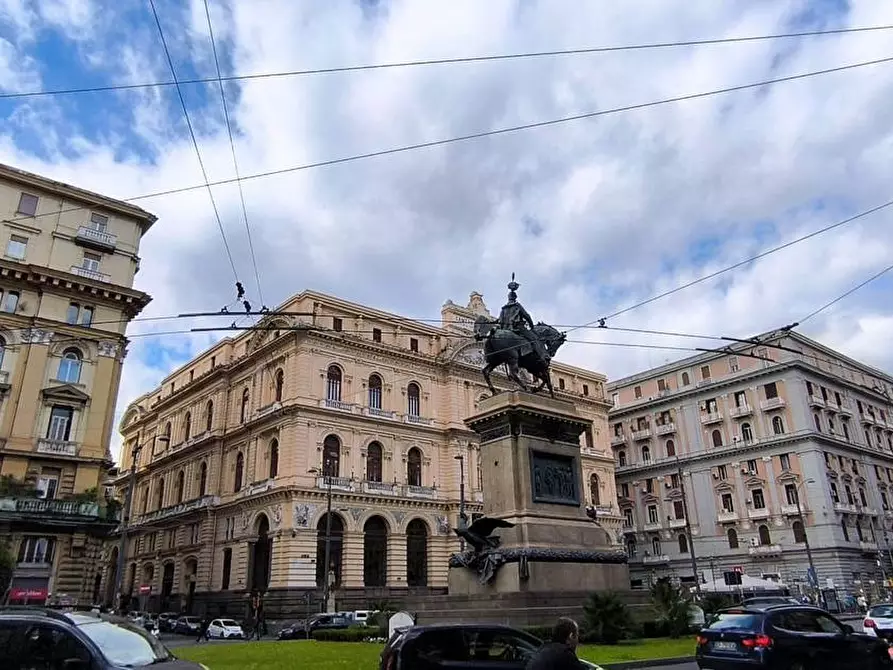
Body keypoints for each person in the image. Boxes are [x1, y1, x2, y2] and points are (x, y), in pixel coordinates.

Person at [497, 276, 548, 364]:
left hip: (505, 329)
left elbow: (499, 320)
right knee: (534, 339)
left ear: (508, 298)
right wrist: (531, 326)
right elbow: (527, 316)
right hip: (517, 329)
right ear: (515, 297)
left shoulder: (504, 308)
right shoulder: (517, 306)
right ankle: (543, 357)